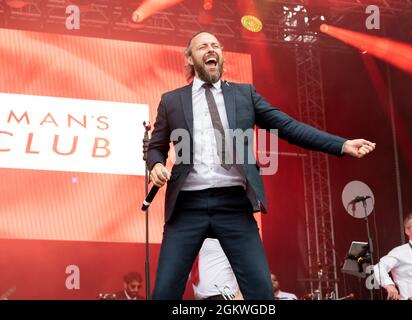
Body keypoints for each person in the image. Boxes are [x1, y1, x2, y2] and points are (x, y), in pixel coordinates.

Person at [146, 30, 376, 300]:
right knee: (163, 294)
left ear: (220, 56)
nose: (211, 49)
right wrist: (156, 165)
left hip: (233, 205)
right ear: (189, 58)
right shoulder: (172, 100)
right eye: (202, 47)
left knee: (262, 295)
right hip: (187, 206)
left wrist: (340, 144)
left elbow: (287, 126)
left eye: (215, 46)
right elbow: (156, 147)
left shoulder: (245, 95)